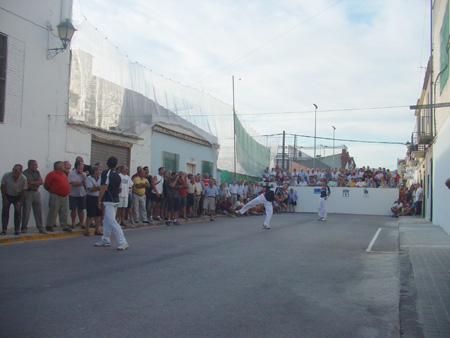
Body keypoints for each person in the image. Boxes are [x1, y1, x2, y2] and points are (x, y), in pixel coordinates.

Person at [95, 157, 129, 250]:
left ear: (107, 163)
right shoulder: (118, 176)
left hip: (109, 200)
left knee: (112, 221)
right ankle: (105, 239)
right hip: (115, 200)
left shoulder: (106, 173)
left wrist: (99, 200)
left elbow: (103, 187)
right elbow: (119, 189)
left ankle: (123, 241)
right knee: (106, 220)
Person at [44, 161, 71, 233]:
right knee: (53, 211)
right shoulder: (52, 174)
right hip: (55, 195)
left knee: (64, 212)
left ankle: (64, 225)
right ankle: (49, 225)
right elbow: (46, 184)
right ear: (58, 166)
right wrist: (52, 191)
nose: (64, 166)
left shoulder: (64, 174)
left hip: (64, 196)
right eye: (63, 165)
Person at [21, 160, 46, 234]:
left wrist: (32, 182)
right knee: (26, 211)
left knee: (38, 211)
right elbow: (26, 184)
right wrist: (35, 183)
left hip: (36, 192)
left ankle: (40, 227)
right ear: (30, 165)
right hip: (28, 193)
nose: (37, 166)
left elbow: (41, 182)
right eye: (35, 165)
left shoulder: (37, 172)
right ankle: (24, 227)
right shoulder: (24, 173)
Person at [1, 164, 27, 235]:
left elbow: (23, 191)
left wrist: (19, 202)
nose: (14, 171)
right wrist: (4, 198)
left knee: (18, 212)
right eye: (13, 169)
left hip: (17, 196)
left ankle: (17, 229)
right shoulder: (6, 175)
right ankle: (4, 229)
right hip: (7, 195)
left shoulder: (23, 179)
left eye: (16, 170)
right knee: (5, 212)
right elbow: (2, 186)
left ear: (20, 171)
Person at [68, 160, 87, 229]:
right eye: (82, 165)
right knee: (73, 209)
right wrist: (82, 184)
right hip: (73, 194)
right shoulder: (71, 173)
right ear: (78, 166)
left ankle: (82, 223)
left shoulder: (84, 174)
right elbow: (74, 183)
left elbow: (86, 182)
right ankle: (73, 223)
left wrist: (82, 174)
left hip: (82, 194)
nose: (83, 166)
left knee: (81, 209)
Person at [85, 166, 102, 236]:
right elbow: (90, 189)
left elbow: (103, 188)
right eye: (99, 170)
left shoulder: (101, 178)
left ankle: (97, 230)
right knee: (90, 215)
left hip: (98, 197)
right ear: (95, 171)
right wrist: (98, 188)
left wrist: (96, 187)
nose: (100, 171)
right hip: (91, 197)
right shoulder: (89, 178)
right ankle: (87, 230)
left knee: (98, 214)